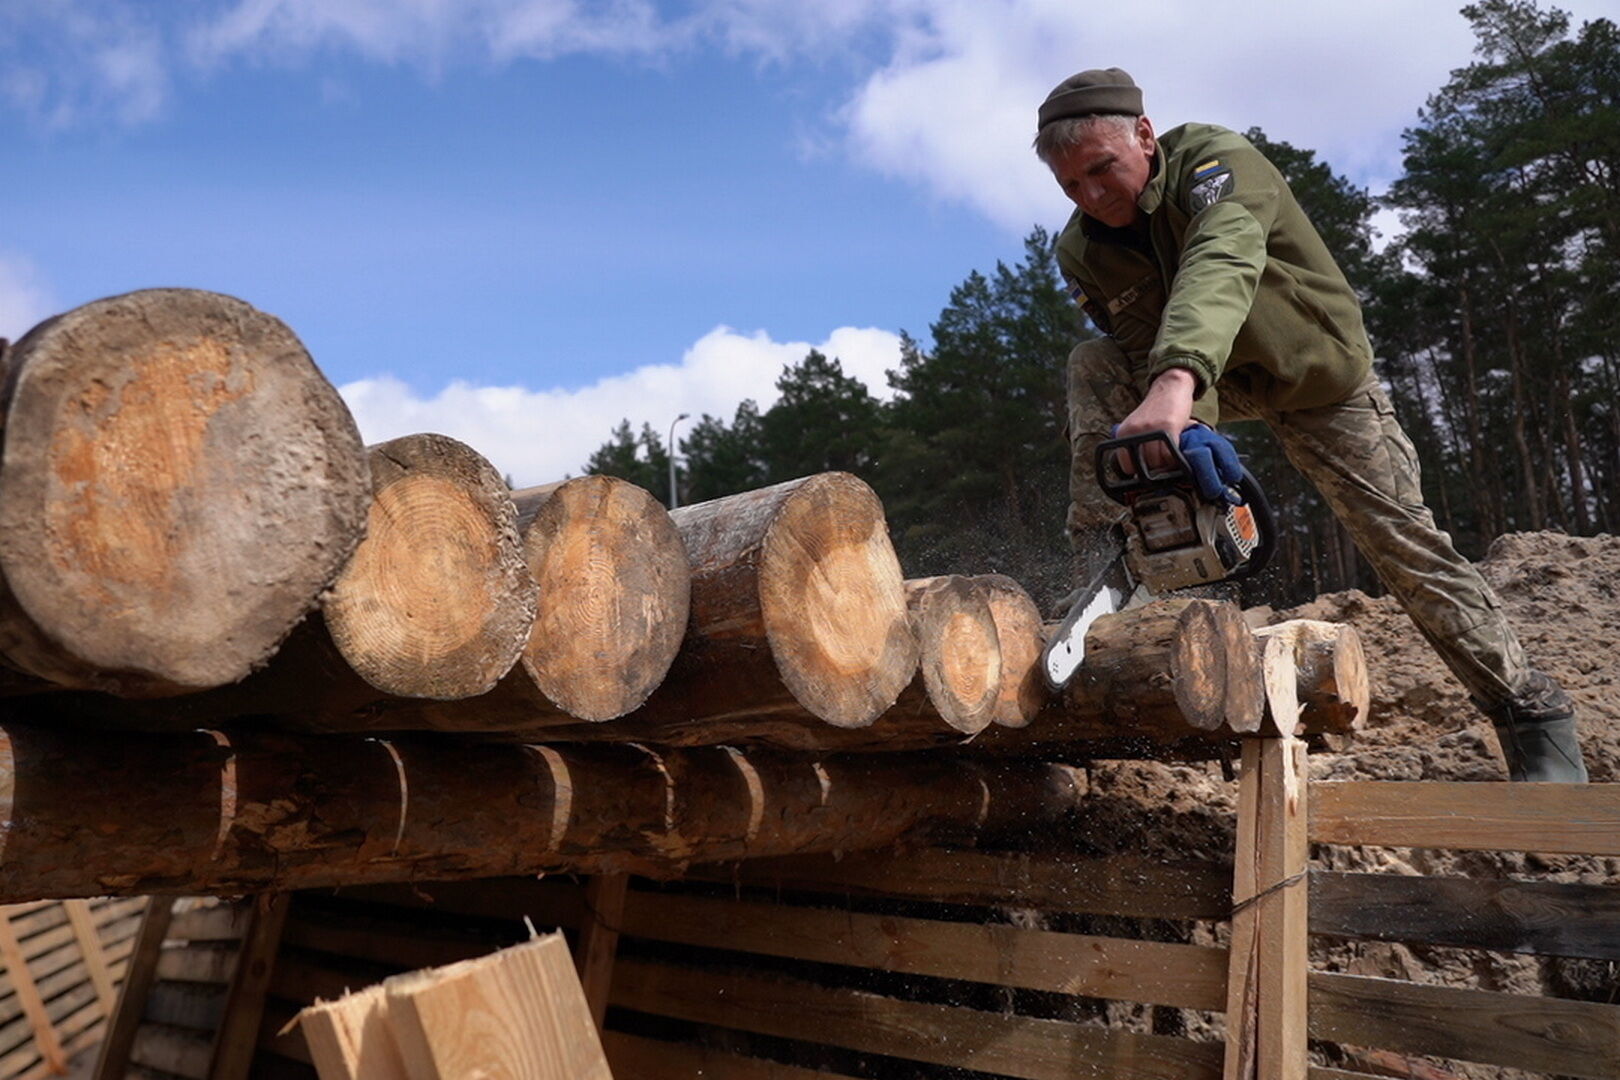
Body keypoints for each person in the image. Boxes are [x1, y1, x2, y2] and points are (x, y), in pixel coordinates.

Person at [1035, 67, 1587, 782]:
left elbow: (1220, 263)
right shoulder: (1083, 247)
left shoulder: (1218, 164)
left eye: (1102, 170)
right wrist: (1186, 423)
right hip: (1207, 372)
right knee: (1093, 363)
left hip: (1317, 372)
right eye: (1071, 186)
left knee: (1403, 544)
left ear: (1145, 135)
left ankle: (1530, 711)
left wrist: (1177, 385)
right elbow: (1139, 344)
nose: (1091, 196)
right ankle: (1106, 572)